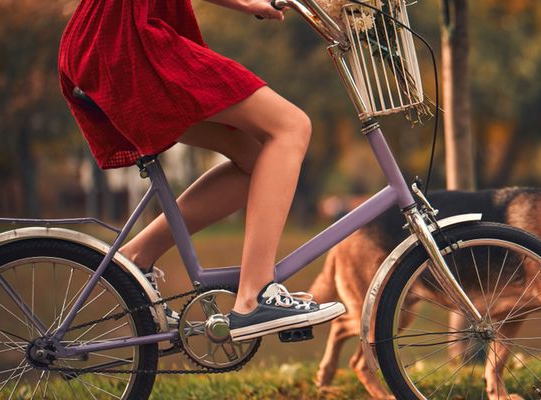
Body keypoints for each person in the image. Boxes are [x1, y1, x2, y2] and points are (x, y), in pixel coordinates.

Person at [58, 0, 345, 341]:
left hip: (106, 39)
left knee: (257, 162)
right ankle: (255, 296)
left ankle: (135, 259)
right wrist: (246, 3)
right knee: (291, 127)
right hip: (126, 40)